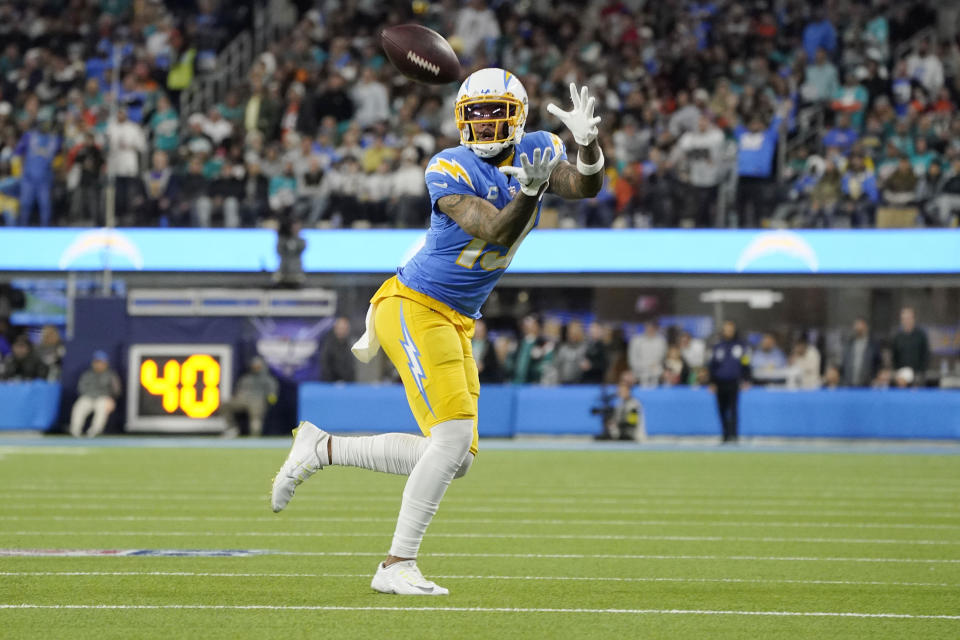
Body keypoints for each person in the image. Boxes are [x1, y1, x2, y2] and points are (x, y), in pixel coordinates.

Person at [271, 70, 604, 595]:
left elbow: (583, 187)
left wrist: (588, 147)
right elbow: (493, 228)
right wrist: (529, 191)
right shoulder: (447, 165)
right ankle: (395, 564)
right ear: (460, 119)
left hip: (455, 318)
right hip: (412, 304)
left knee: (457, 457)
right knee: (449, 441)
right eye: (476, 113)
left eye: (496, 112)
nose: (486, 123)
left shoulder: (539, 147)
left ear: (517, 117)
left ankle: (322, 448)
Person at [708, 320, 750, 443]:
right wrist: (712, 382)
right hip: (720, 382)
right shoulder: (718, 346)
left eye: (731, 329)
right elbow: (712, 365)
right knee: (721, 409)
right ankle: (725, 435)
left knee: (733, 409)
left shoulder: (741, 346)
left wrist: (746, 378)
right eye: (726, 329)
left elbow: (746, 363)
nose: (729, 332)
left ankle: (734, 435)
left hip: (734, 382)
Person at [221, 356, 278, 438]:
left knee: (256, 414)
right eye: (254, 366)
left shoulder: (268, 380)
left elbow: (272, 396)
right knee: (225, 404)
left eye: (258, 366)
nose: (256, 368)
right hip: (242, 399)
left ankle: (255, 435)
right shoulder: (246, 378)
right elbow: (238, 391)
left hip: (257, 400)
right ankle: (231, 429)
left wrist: (268, 401)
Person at [68, 350, 120, 437]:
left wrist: (112, 399)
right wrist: (89, 395)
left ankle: (94, 432)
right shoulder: (87, 374)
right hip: (89, 397)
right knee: (79, 405)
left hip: (103, 398)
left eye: (101, 362)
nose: (99, 365)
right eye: (97, 362)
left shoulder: (111, 375)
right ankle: (75, 430)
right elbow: (81, 388)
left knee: (102, 405)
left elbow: (116, 391)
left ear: (106, 363)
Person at [599, 371, 643, 441]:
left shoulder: (634, 404)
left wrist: (617, 424)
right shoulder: (619, 403)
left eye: (623, 390)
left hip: (633, 436)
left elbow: (632, 422)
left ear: (628, 391)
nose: (620, 392)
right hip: (622, 434)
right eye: (620, 390)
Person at [891, 307, 929, 387]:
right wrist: (898, 374)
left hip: (918, 376)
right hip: (901, 378)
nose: (906, 321)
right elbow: (894, 357)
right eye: (904, 318)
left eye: (908, 318)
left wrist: (920, 373)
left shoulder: (921, 335)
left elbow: (925, 355)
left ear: (913, 319)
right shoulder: (897, 337)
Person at [841, 318, 878, 387]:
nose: (858, 328)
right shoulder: (849, 344)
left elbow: (877, 363)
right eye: (856, 326)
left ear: (866, 327)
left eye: (860, 325)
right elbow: (844, 364)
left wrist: (874, 378)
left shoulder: (873, 345)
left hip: (867, 386)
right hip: (849, 385)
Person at [320, 316, 356, 382]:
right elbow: (325, 366)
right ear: (335, 329)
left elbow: (351, 368)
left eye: (344, 329)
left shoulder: (351, 346)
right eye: (340, 328)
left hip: (347, 384)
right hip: (330, 383)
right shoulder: (328, 345)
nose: (341, 331)